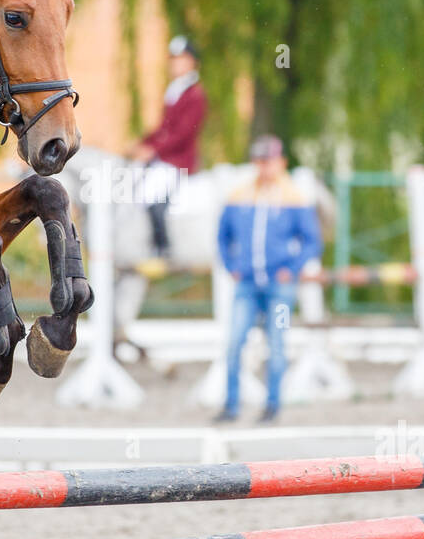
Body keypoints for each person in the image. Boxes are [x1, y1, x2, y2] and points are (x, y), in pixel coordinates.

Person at [215, 136, 322, 423]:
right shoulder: (239, 195)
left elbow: (312, 241)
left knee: (277, 343)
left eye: (269, 161)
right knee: (234, 341)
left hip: (281, 286)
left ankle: (273, 404)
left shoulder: (294, 197)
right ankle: (231, 404)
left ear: (281, 162)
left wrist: (294, 268)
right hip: (246, 284)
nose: (264, 167)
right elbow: (223, 235)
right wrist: (230, 264)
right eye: (260, 161)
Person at [131, 35, 207, 265]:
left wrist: (152, 150)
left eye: (180, 59)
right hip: (164, 157)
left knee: (151, 193)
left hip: (178, 160)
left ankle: (162, 248)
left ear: (192, 62)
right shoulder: (174, 90)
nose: (174, 64)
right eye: (172, 59)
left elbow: (182, 134)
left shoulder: (195, 94)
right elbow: (164, 129)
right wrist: (142, 143)